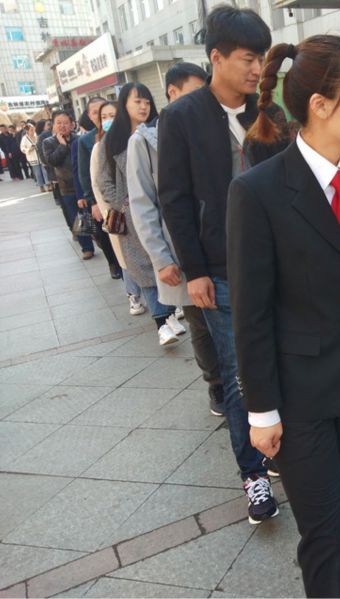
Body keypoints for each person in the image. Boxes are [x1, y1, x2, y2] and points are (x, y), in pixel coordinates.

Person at [228, 35, 340, 597]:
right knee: (326, 536)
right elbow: (251, 312)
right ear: (320, 105)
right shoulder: (258, 192)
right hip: (301, 397)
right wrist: (261, 410)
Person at [158, 4, 281, 524]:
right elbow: (175, 200)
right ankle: (253, 474)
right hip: (220, 271)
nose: (257, 69)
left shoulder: (268, 113)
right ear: (216, 58)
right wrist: (196, 271)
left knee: (278, 361)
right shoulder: (182, 117)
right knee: (238, 374)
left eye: (262, 58)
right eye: (249, 58)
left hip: (274, 267)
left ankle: (275, 443)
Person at [128, 62, 224, 416]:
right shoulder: (144, 140)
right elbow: (143, 203)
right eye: (195, 92)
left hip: (217, 243)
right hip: (180, 248)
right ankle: (216, 385)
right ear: (172, 93)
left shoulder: (211, 129)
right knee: (200, 321)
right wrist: (161, 258)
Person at [96, 82, 185, 345]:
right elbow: (104, 181)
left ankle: (170, 313)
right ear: (124, 104)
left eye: (147, 101)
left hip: (163, 208)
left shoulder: (159, 131)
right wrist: (123, 204)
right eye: (137, 101)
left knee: (166, 260)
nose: (143, 106)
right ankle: (161, 322)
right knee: (144, 268)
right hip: (132, 218)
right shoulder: (111, 142)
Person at [91, 101, 143, 313]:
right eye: (104, 117)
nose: (108, 120)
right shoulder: (99, 146)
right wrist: (112, 208)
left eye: (112, 115)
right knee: (126, 254)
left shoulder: (134, 138)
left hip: (139, 205)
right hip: (117, 210)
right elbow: (98, 181)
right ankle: (133, 294)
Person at [73, 99, 124, 279]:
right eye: (97, 113)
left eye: (111, 114)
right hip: (101, 197)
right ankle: (113, 264)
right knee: (107, 232)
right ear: (90, 116)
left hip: (123, 195)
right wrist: (92, 201)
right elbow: (85, 174)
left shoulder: (126, 134)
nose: (105, 118)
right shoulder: (87, 140)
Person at [42, 111, 96, 259]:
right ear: (53, 125)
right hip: (67, 187)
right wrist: (62, 145)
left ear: (72, 124)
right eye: (58, 123)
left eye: (65, 122)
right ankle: (87, 248)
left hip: (84, 184)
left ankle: (96, 237)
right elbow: (52, 161)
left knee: (91, 214)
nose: (62, 126)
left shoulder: (80, 140)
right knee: (77, 218)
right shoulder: (48, 142)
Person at [20, 124, 46, 192]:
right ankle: (41, 186)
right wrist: (29, 149)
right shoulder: (24, 138)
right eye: (31, 130)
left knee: (45, 171)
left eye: (33, 129)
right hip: (33, 157)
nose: (33, 131)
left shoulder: (37, 136)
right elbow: (22, 148)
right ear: (27, 131)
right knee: (38, 173)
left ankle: (48, 185)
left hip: (41, 156)